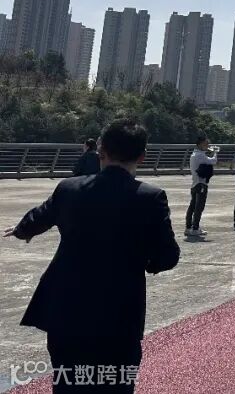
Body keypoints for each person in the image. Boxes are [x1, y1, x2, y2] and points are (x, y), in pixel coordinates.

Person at [4, 119, 180, 394]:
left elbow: (40, 217)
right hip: (119, 311)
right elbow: (168, 256)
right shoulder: (151, 197)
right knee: (116, 383)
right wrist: (147, 263)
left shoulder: (69, 188)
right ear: (142, 157)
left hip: (66, 308)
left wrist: (21, 230)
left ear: (101, 151)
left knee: (68, 381)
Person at [185, 134, 217, 237]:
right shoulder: (200, 155)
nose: (208, 146)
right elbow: (213, 161)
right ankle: (195, 228)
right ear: (200, 144)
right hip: (201, 184)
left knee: (192, 206)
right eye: (206, 143)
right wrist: (215, 152)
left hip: (195, 184)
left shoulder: (194, 154)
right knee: (199, 207)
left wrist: (209, 152)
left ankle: (188, 227)